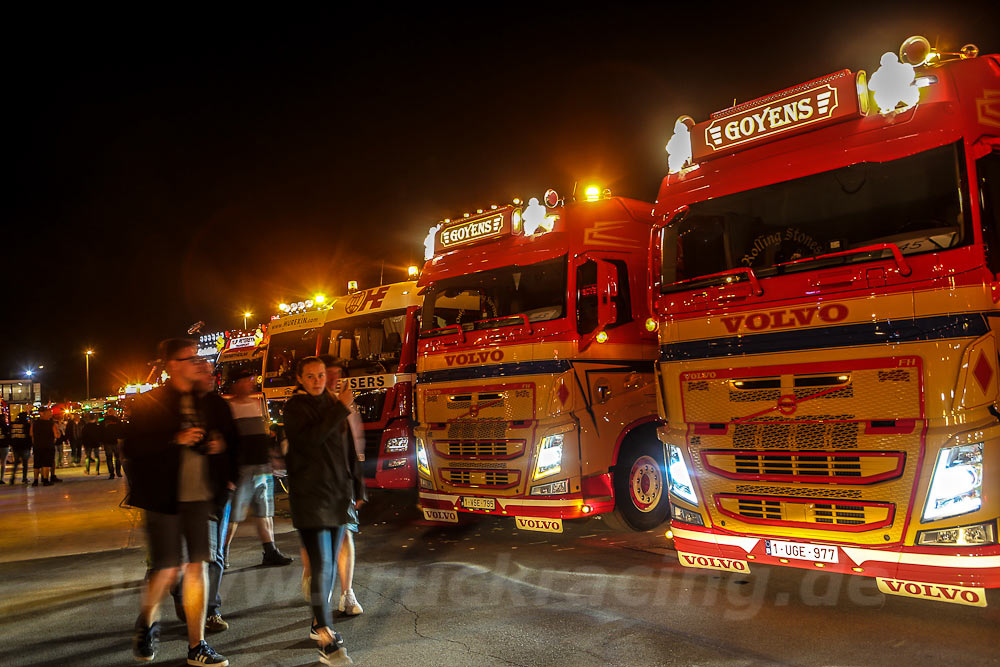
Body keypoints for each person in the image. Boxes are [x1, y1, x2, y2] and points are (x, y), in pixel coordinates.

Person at [123, 338, 229, 666]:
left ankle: (197, 646)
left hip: (201, 497)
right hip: (164, 498)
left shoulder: (211, 402)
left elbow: (231, 441)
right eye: (190, 357)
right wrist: (174, 439)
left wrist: (218, 448)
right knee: (168, 569)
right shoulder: (150, 401)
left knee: (199, 567)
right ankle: (147, 622)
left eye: (199, 356)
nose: (198, 362)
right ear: (173, 365)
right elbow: (133, 448)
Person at [284, 356, 364, 665]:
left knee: (330, 565)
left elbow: (347, 450)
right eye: (312, 376)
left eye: (321, 375)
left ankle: (320, 625)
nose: (319, 380)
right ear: (300, 379)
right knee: (321, 564)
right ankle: (326, 636)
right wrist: (340, 408)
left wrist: (358, 486)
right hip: (310, 497)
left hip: (337, 494)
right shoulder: (295, 408)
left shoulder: (334, 404)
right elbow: (309, 441)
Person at [224, 369, 293, 568]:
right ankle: (222, 553)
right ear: (235, 384)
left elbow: (263, 437)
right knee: (234, 515)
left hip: (262, 466)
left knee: (265, 511)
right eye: (245, 381)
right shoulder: (230, 408)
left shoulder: (256, 405)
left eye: (250, 380)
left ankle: (270, 551)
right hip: (242, 469)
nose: (249, 384)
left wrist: (272, 458)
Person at [320, 355, 365, 616]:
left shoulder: (345, 403)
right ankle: (320, 605)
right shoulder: (313, 405)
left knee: (346, 534)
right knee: (321, 542)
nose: (336, 379)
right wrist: (341, 407)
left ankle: (347, 593)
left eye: (339, 374)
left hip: (342, 483)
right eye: (330, 374)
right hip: (317, 487)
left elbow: (352, 448)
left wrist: (358, 486)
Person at [31, 408, 59, 486]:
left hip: (37, 446)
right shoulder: (51, 424)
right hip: (48, 445)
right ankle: (46, 480)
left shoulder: (34, 423)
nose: (50, 414)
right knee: (46, 464)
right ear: (44, 414)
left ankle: (35, 480)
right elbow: (56, 435)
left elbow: (31, 434)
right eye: (49, 413)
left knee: (36, 464)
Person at [9, 411, 32, 484]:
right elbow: (29, 436)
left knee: (16, 463)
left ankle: (12, 477)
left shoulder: (13, 425)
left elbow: (10, 435)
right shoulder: (27, 425)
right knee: (25, 463)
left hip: (15, 447)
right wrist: (30, 446)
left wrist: (12, 444)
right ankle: (24, 478)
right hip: (25, 446)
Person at [102, 408, 125, 479]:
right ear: (114, 412)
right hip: (116, 441)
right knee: (117, 458)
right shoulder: (117, 420)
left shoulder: (104, 421)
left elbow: (101, 432)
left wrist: (102, 442)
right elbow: (122, 430)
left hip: (107, 442)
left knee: (109, 458)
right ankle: (118, 472)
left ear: (108, 413)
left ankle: (111, 473)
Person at [0, 415, 10, 484]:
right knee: (3, 463)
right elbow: (8, 436)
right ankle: (1, 478)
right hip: (4, 445)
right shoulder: (5, 426)